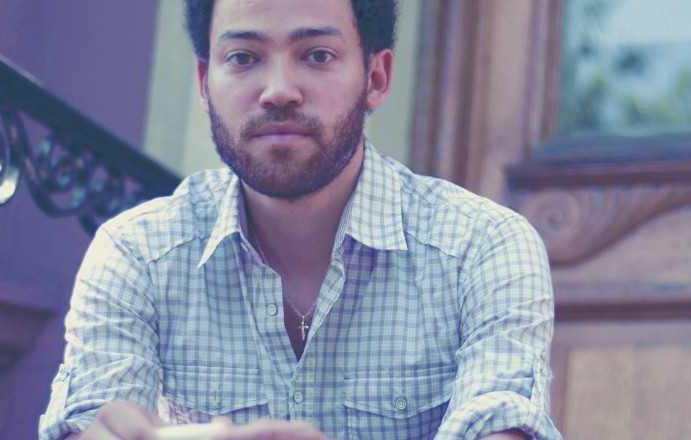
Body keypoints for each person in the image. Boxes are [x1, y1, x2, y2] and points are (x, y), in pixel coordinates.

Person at [38, 0, 560, 439]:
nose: (279, 90)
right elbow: (94, 426)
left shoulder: (482, 248)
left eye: (317, 55)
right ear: (203, 83)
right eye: (243, 58)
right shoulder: (137, 254)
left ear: (376, 78)